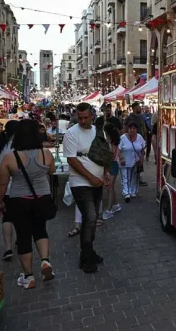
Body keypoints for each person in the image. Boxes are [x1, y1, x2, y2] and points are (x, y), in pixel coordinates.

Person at [0, 119, 56, 289]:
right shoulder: (46, 154)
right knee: (40, 229)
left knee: (23, 236)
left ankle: (29, 277)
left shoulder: (10, 157)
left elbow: (2, 184)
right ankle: (45, 261)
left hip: (19, 200)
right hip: (42, 198)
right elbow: (51, 172)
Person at [63, 103, 109, 273]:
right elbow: (72, 160)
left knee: (93, 218)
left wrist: (106, 173)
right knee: (89, 217)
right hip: (80, 183)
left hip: (97, 182)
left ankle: (90, 251)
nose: (83, 121)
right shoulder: (71, 133)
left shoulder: (98, 131)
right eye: (80, 117)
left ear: (92, 116)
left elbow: (104, 153)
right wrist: (91, 178)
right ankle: (85, 257)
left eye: (86, 117)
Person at [0, 120, 19, 261]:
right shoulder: (20, 148)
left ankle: (8, 248)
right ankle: (20, 241)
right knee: (20, 216)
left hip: (4, 188)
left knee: (7, 217)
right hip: (19, 187)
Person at [118, 122, 146, 202]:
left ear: (136, 130)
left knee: (134, 177)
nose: (132, 130)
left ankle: (132, 191)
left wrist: (141, 159)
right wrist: (121, 158)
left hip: (136, 161)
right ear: (128, 129)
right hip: (124, 161)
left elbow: (142, 149)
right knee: (125, 178)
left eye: (134, 128)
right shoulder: (122, 138)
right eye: (130, 128)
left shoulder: (139, 137)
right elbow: (119, 150)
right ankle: (126, 193)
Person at [123, 102, 148, 186]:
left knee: (139, 161)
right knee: (132, 161)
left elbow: (143, 127)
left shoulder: (141, 117)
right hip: (131, 142)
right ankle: (131, 179)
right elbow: (124, 129)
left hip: (140, 141)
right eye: (138, 107)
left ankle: (137, 178)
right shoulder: (129, 118)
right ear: (134, 108)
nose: (140, 108)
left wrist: (145, 139)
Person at [101, 123, 122, 219]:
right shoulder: (111, 141)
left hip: (112, 165)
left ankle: (109, 209)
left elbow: (112, 155)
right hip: (110, 165)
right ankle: (116, 205)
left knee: (109, 187)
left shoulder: (112, 142)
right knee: (111, 187)